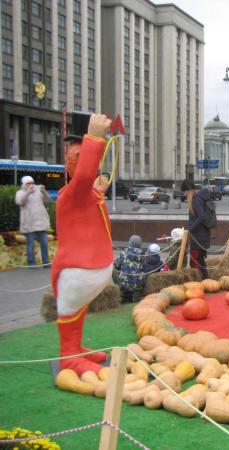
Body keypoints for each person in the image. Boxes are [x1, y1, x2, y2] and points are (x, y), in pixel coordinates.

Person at [51, 112, 113, 375]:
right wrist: (95, 138)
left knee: (78, 308)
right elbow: (85, 174)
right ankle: (68, 355)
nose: (82, 160)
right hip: (78, 269)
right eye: (75, 156)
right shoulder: (71, 195)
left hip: (88, 268)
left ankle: (75, 346)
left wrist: (99, 190)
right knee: (71, 309)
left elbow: (88, 193)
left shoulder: (85, 194)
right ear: (68, 164)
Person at [181, 180, 217, 279]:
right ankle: (204, 280)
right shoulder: (199, 198)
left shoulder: (196, 200)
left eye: (184, 192)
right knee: (200, 261)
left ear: (188, 190)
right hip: (202, 236)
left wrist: (190, 229)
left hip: (198, 237)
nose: (184, 195)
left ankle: (201, 282)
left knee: (195, 262)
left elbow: (202, 216)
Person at [15, 175, 52, 267]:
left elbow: (48, 200)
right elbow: (20, 202)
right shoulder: (19, 192)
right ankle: (31, 263)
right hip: (29, 221)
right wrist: (28, 192)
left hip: (40, 220)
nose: (31, 185)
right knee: (30, 243)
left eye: (32, 183)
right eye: (28, 183)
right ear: (24, 184)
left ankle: (46, 262)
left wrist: (44, 191)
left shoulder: (38, 191)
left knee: (44, 242)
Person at [114, 234, 146, 303]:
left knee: (115, 272)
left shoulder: (124, 253)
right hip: (139, 283)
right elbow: (145, 267)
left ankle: (124, 295)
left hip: (125, 283)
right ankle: (136, 296)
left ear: (130, 243)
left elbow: (116, 265)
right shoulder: (143, 255)